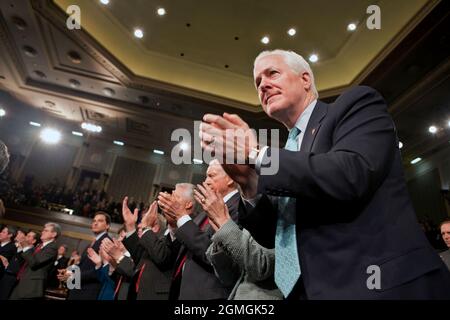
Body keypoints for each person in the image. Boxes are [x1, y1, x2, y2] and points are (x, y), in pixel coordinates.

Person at [199, 49, 450, 299]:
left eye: (271, 73)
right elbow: (274, 237)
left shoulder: (356, 104)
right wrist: (248, 182)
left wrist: (255, 153)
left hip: (382, 288)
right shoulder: (286, 154)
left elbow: (350, 174)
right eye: (257, 82)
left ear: (305, 79)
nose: (263, 85)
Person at [158, 162, 240, 300]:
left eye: (211, 176)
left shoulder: (238, 208)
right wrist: (175, 221)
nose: (206, 181)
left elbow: (215, 255)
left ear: (230, 178)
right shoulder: (205, 211)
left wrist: (181, 216)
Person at [196, 182, 282, 300]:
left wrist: (223, 221)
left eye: (212, 175)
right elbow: (228, 277)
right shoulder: (247, 209)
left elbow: (260, 266)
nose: (207, 181)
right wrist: (221, 237)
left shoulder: (281, 205)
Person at [59, 212, 111, 300]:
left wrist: (74, 276)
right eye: (94, 221)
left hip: (88, 291)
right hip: (79, 288)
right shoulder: (91, 243)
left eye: (100, 221)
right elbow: (84, 266)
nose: (95, 223)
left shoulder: (106, 242)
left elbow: (100, 270)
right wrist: (69, 272)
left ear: (107, 226)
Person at [10, 223, 60, 299]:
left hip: (31, 287)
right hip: (24, 283)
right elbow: (27, 260)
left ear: (54, 234)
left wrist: (25, 245)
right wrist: (21, 246)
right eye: (43, 230)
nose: (42, 232)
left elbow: (34, 263)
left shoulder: (52, 248)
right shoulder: (40, 245)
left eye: (46, 231)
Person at [0, 229, 30, 299]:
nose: (18, 234)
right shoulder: (15, 246)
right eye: (18, 233)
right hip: (5, 274)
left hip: (13, 277)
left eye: (20, 233)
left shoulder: (25, 250)